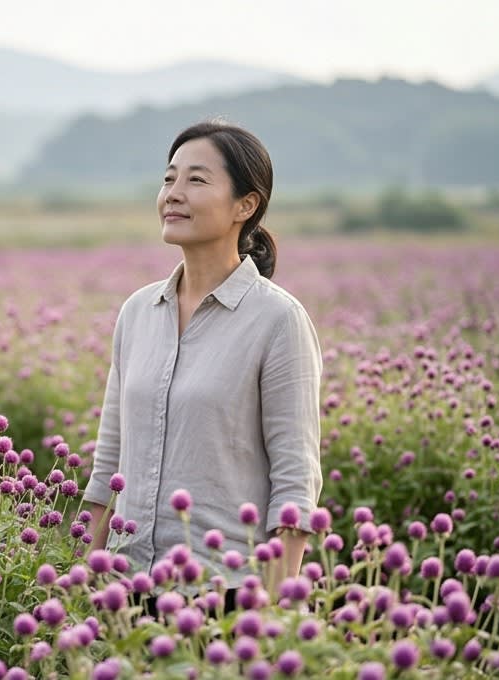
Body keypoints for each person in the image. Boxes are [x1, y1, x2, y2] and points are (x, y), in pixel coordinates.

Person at [83, 119, 323, 606]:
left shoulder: (278, 320)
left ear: (245, 205)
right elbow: (109, 463)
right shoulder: (137, 312)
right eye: (169, 178)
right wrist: (78, 582)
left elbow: (296, 482)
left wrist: (272, 619)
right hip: (123, 590)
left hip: (224, 596)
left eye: (196, 180)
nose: (173, 193)